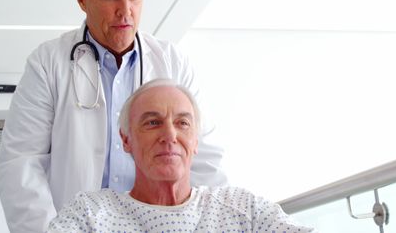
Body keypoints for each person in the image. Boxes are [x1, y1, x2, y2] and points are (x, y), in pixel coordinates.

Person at [0, 0, 227, 233]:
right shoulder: (48, 62)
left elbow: (204, 157)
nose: (125, 10)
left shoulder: (172, 62)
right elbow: (20, 162)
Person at [47, 79, 315, 232]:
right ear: (126, 140)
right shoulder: (91, 214)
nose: (170, 135)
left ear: (195, 140)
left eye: (183, 123)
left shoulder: (244, 210)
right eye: (152, 123)